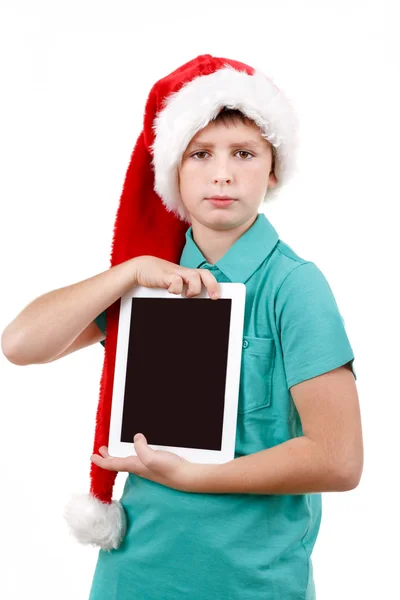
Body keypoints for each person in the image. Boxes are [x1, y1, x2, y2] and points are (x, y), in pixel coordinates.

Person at [1, 54, 363, 600]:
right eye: (199, 154)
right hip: (133, 574)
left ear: (273, 168)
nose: (222, 173)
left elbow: (338, 459)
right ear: (171, 170)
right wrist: (127, 271)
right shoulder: (150, 278)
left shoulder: (294, 286)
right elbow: (20, 345)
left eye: (243, 153)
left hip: (251, 582)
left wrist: (196, 477)